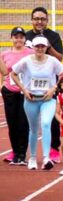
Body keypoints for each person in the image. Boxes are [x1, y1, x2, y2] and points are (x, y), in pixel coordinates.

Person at [11, 35, 63, 170]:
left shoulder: (52, 61)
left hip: (48, 99)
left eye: (42, 46)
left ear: (46, 47)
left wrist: (54, 88)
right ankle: (33, 158)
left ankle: (47, 157)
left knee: (46, 123)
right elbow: (13, 73)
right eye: (37, 46)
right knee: (34, 129)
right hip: (31, 99)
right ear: (33, 47)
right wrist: (23, 89)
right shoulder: (26, 61)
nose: (40, 48)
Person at [25, 7, 63, 163]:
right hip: (30, 86)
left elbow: (60, 58)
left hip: (49, 85)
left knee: (51, 120)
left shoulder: (53, 36)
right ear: (32, 20)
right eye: (36, 18)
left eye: (42, 19)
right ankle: (21, 152)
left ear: (47, 20)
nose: (39, 21)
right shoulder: (26, 36)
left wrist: (48, 46)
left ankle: (54, 149)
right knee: (29, 122)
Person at [0, 27, 33, 165]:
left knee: (23, 123)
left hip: (24, 92)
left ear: (25, 39)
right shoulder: (4, 54)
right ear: (11, 38)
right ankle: (15, 154)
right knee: (12, 123)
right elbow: (3, 72)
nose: (18, 39)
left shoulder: (30, 53)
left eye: (21, 37)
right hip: (9, 91)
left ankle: (22, 153)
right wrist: (2, 85)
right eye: (16, 36)